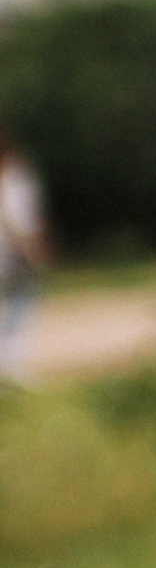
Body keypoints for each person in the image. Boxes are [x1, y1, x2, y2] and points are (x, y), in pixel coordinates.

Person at [0, 132, 49, 386]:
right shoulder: (14, 181)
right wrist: (32, 252)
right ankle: (11, 369)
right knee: (19, 309)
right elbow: (18, 222)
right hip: (12, 255)